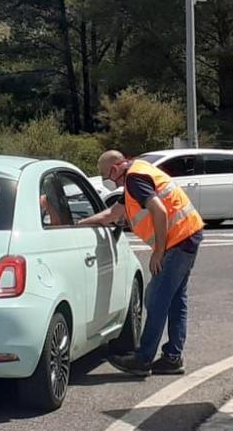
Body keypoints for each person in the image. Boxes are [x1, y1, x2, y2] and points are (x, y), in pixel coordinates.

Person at [76, 150, 202, 376]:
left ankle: (143, 359)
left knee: (156, 299)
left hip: (178, 241)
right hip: (187, 234)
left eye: (107, 176)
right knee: (174, 301)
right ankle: (172, 357)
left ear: (115, 169)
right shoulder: (138, 174)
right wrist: (79, 224)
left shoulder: (134, 179)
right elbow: (111, 215)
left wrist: (159, 252)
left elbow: (160, 211)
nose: (110, 182)